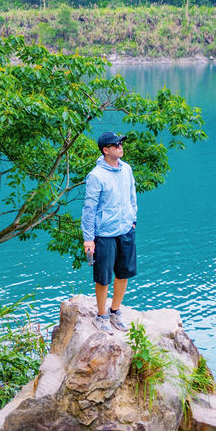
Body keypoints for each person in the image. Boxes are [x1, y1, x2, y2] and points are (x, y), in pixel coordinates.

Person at [81, 131, 137, 333]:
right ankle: (101, 316)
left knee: (123, 273)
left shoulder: (127, 170)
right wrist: (89, 238)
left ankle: (115, 311)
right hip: (104, 233)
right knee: (103, 277)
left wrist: (133, 220)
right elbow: (89, 209)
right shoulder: (96, 176)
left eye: (121, 143)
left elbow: (132, 196)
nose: (120, 146)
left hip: (125, 229)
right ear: (106, 150)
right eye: (116, 145)